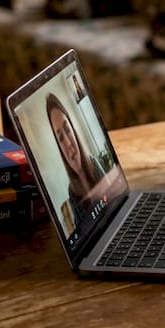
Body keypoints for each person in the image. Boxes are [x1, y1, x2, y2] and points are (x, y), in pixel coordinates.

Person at [46, 92, 109, 232]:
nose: (68, 144)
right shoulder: (72, 191)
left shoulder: (94, 163)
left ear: (73, 130)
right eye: (61, 138)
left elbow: (114, 200)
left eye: (67, 129)